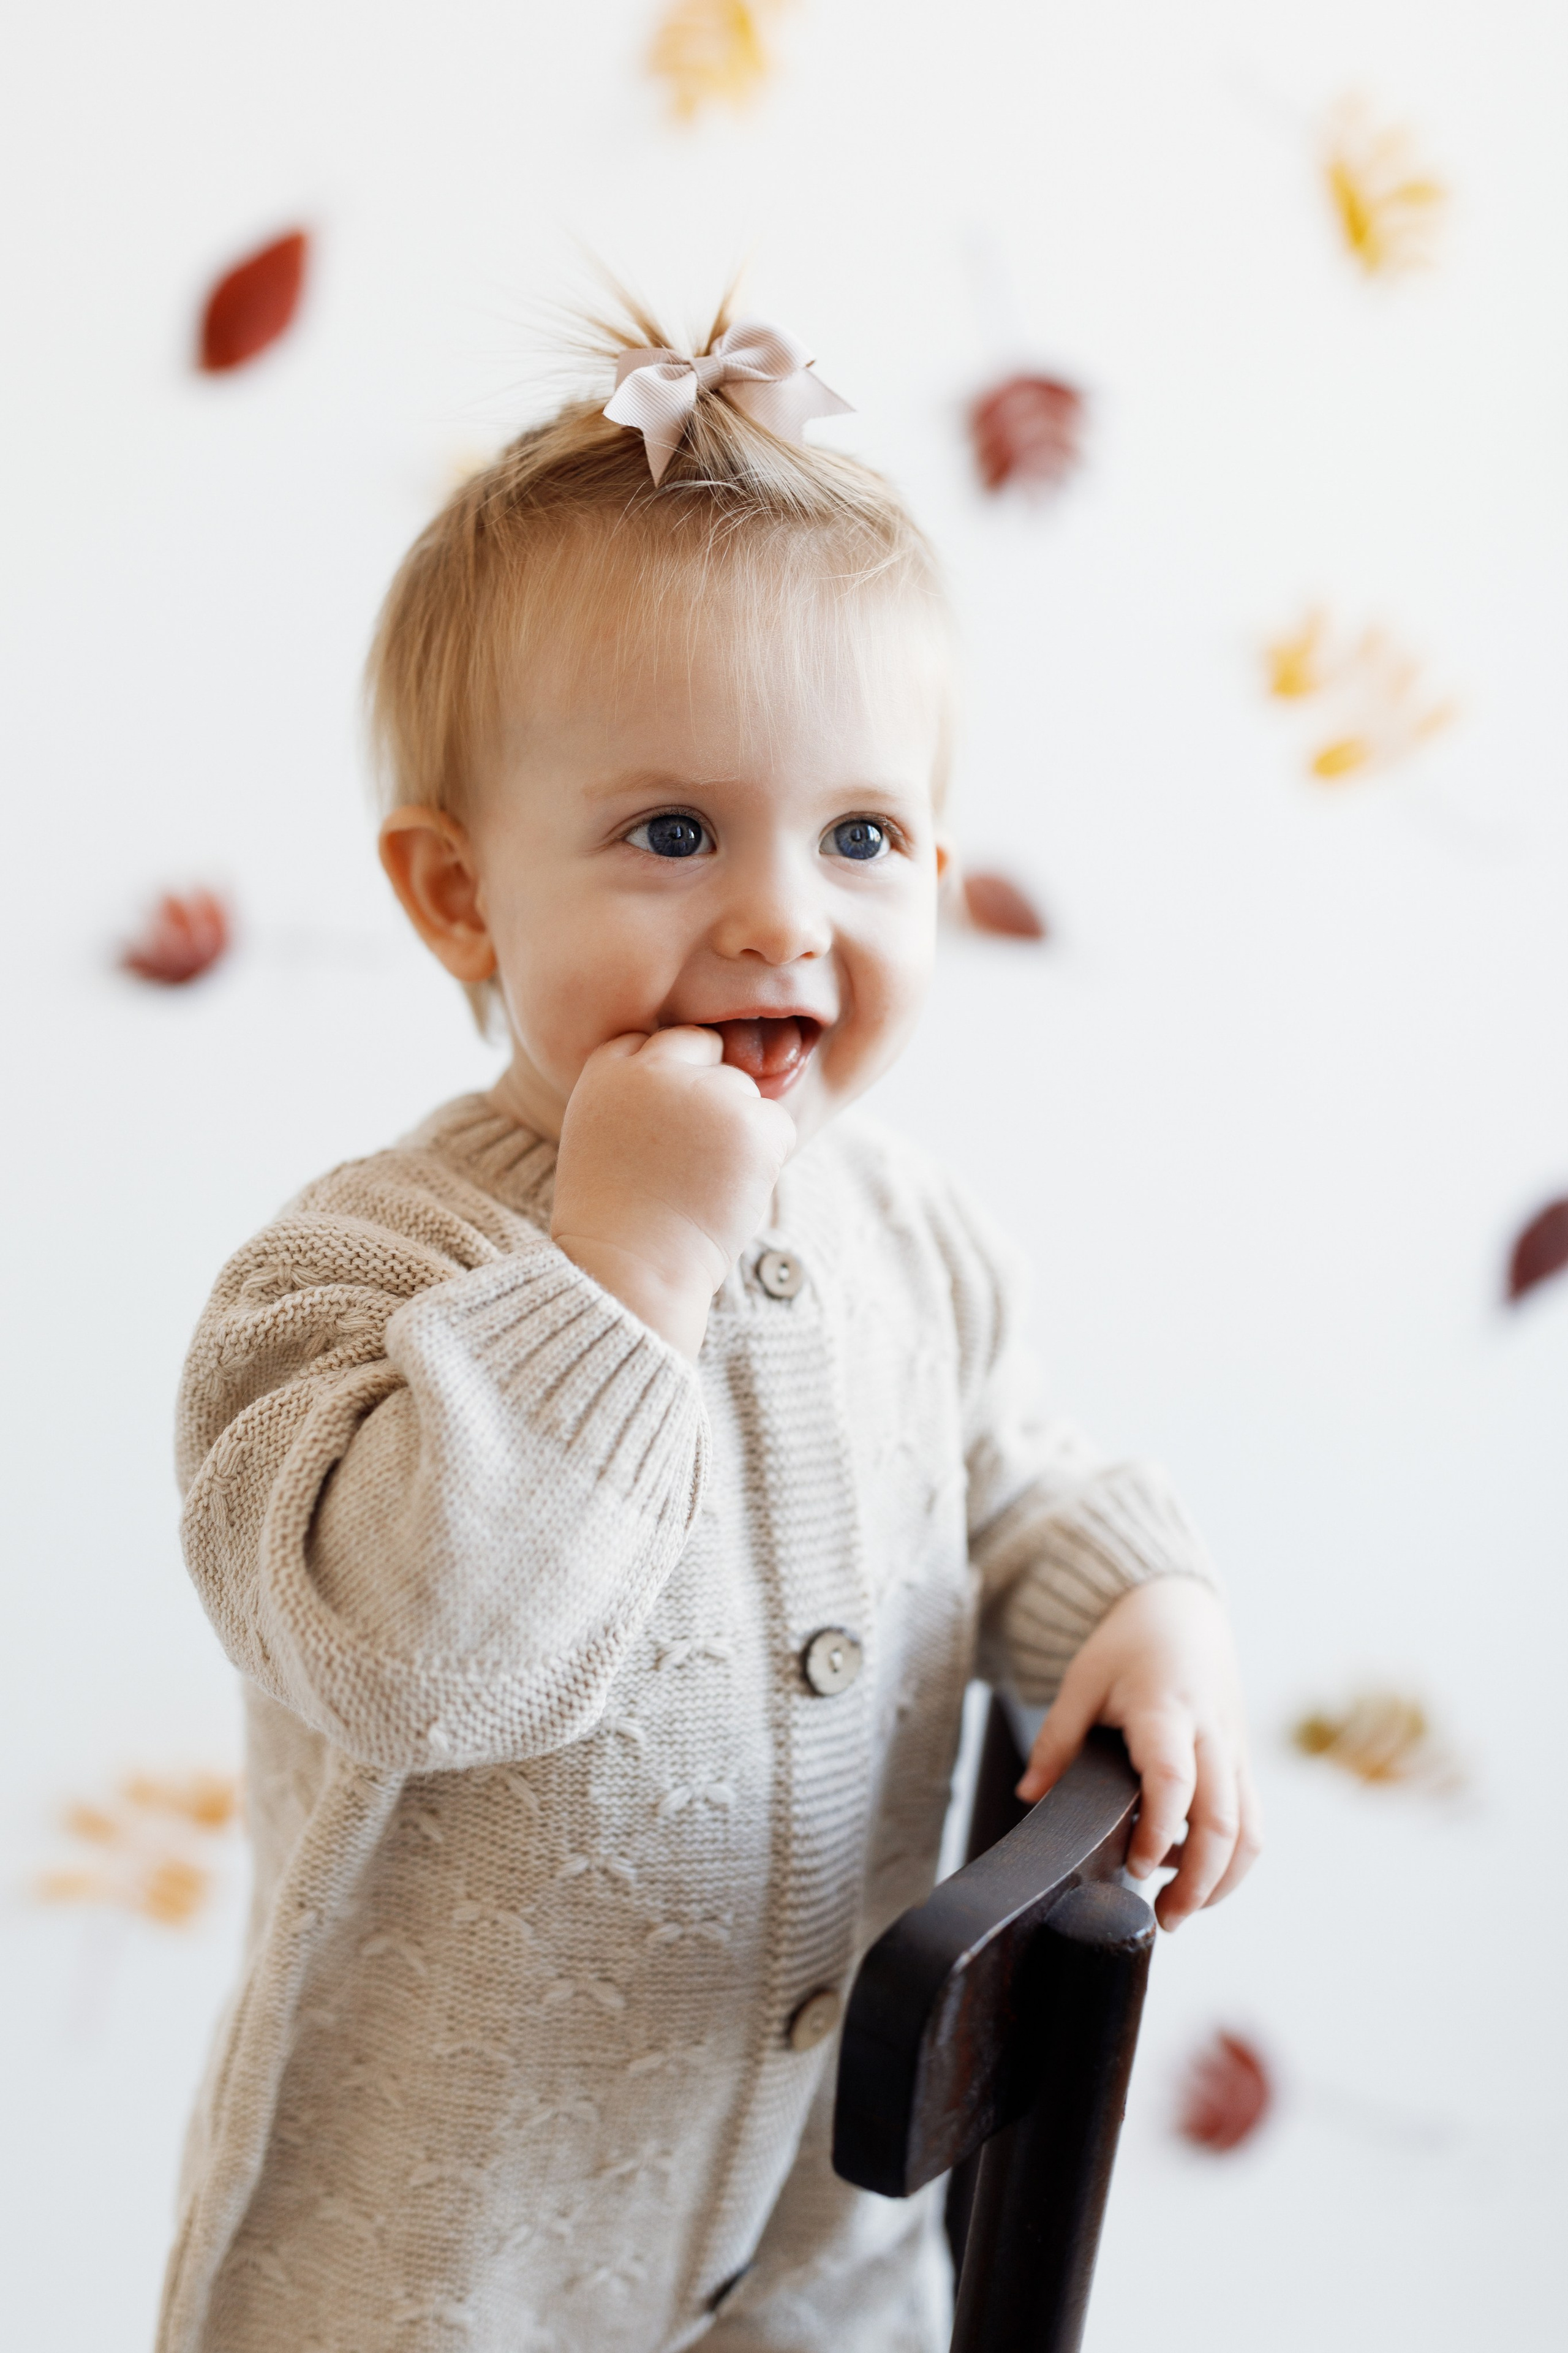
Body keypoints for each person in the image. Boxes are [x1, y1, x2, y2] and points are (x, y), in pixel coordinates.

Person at [158, 302, 1261, 2353]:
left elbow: (1019, 1477)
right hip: (432, 2280)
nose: (783, 916)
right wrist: (620, 1268)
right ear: (460, 899)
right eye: (676, 832)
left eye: (859, 836)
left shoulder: (911, 1231)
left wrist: (1144, 1604)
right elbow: (421, 1660)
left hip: (817, 2256)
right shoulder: (346, 1277)